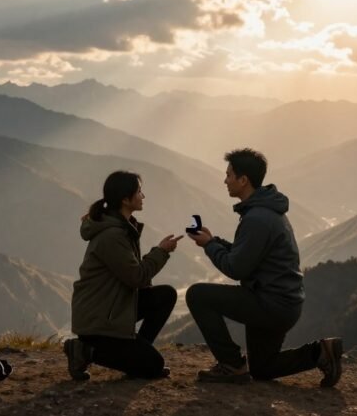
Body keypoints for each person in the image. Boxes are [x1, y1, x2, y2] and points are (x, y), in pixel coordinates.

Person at [186, 148, 342, 386]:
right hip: (282, 301)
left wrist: (209, 246)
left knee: (197, 295)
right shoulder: (266, 211)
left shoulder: (257, 218)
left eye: (229, 175)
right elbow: (247, 253)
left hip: (270, 303)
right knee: (262, 368)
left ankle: (231, 365)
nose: (225, 180)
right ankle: (320, 352)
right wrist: (214, 241)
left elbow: (237, 269)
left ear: (243, 180)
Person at [64, 170, 183, 381]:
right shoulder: (112, 236)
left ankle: (136, 354)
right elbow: (136, 277)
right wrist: (162, 251)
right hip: (98, 322)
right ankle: (83, 350)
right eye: (139, 192)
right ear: (125, 199)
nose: (143, 196)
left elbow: (135, 275)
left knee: (165, 295)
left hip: (111, 309)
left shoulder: (123, 227)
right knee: (154, 365)